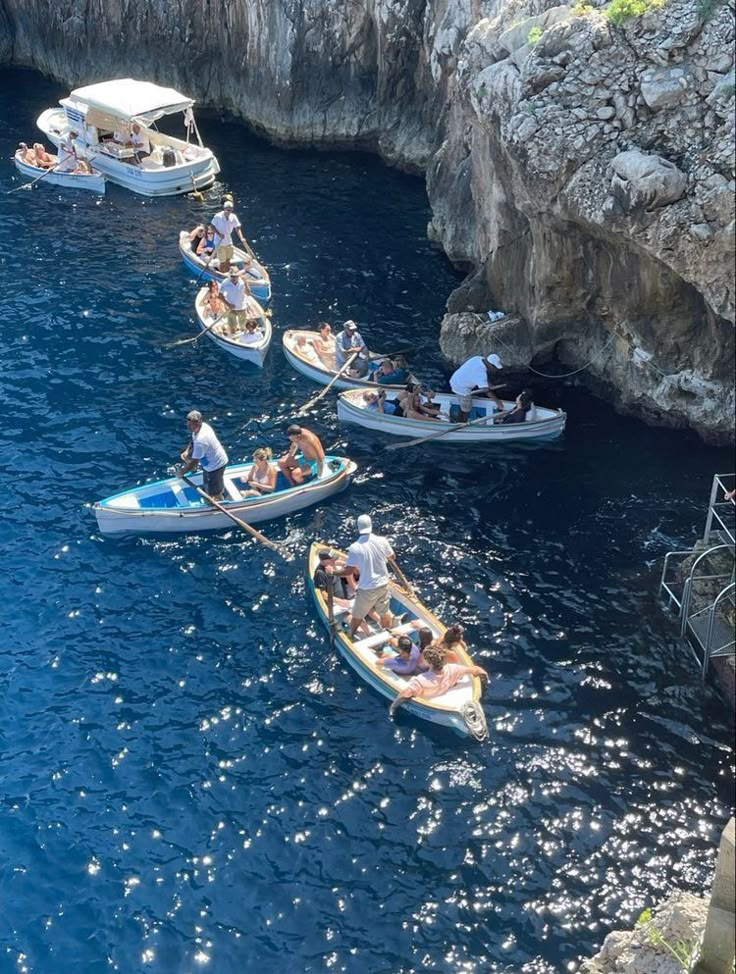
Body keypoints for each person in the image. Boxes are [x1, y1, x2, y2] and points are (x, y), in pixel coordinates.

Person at [332, 514, 404, 637]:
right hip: (383, 584)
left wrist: (333, 572)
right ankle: (388, 635)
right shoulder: (382, 540)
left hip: (367, 589)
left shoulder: (355, 547)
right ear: (371, 525)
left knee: (357, 615)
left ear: (358, 528)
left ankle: (351, 635)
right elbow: (392, 557)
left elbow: (348, 571)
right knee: (384, 611)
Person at [389, 644, 488, 716]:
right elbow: (477, 670)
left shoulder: (420, 680)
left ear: (429, 663)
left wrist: (393, 707)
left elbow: (405, 694)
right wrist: (486, 679)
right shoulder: (454, 669)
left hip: (429, 696)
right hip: (443, 691)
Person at [177, 410, 229, 501]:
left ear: (199, 422)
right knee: (208, 482)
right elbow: (193, 440)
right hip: (209, 464)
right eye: (189, 424)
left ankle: (219, 500)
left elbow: (194, 462)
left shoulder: (201, 440)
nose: (190, 426)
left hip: (215, 466)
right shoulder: (201, 427)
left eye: (192, 424)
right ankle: (210, 491)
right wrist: (187, 451)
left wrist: (181, 472)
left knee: (215, 492)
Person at [449, 353, 505, 422]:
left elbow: (483, 379)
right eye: (494, 367)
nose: (494, 368)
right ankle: (462, 422)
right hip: (461, 388)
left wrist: (489, 385)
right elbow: (486, 390)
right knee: (466, 409)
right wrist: (498, 402)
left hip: (455, 379)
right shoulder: (481, 374)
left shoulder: (478, 358)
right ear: (490, 364)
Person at [209, 199, 247, 273]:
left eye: (230, 210)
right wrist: (219, 234)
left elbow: (237, 228)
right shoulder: (218, 216)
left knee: (228, 260)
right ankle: (221, 274)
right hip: (219, 243)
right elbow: (212, 226)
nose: (229, 211)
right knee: (222, 262)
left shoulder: (233, 217)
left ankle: (226, 273)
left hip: (228, 241)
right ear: (224, 209)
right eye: (227, 210)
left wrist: (241, 238)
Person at [218, 267, 252, 336]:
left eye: (235, 276)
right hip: (231, 309)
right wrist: (228, 304)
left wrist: (246, 283)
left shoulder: (242, 282)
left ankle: (243, 338)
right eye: (232, 276)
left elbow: (248, 293)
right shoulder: (225, 283)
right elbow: (220, 295)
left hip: (242, 308)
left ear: (238, 275)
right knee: (232, 327)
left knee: (243, 326)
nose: (234, 278)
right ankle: (233, 335)